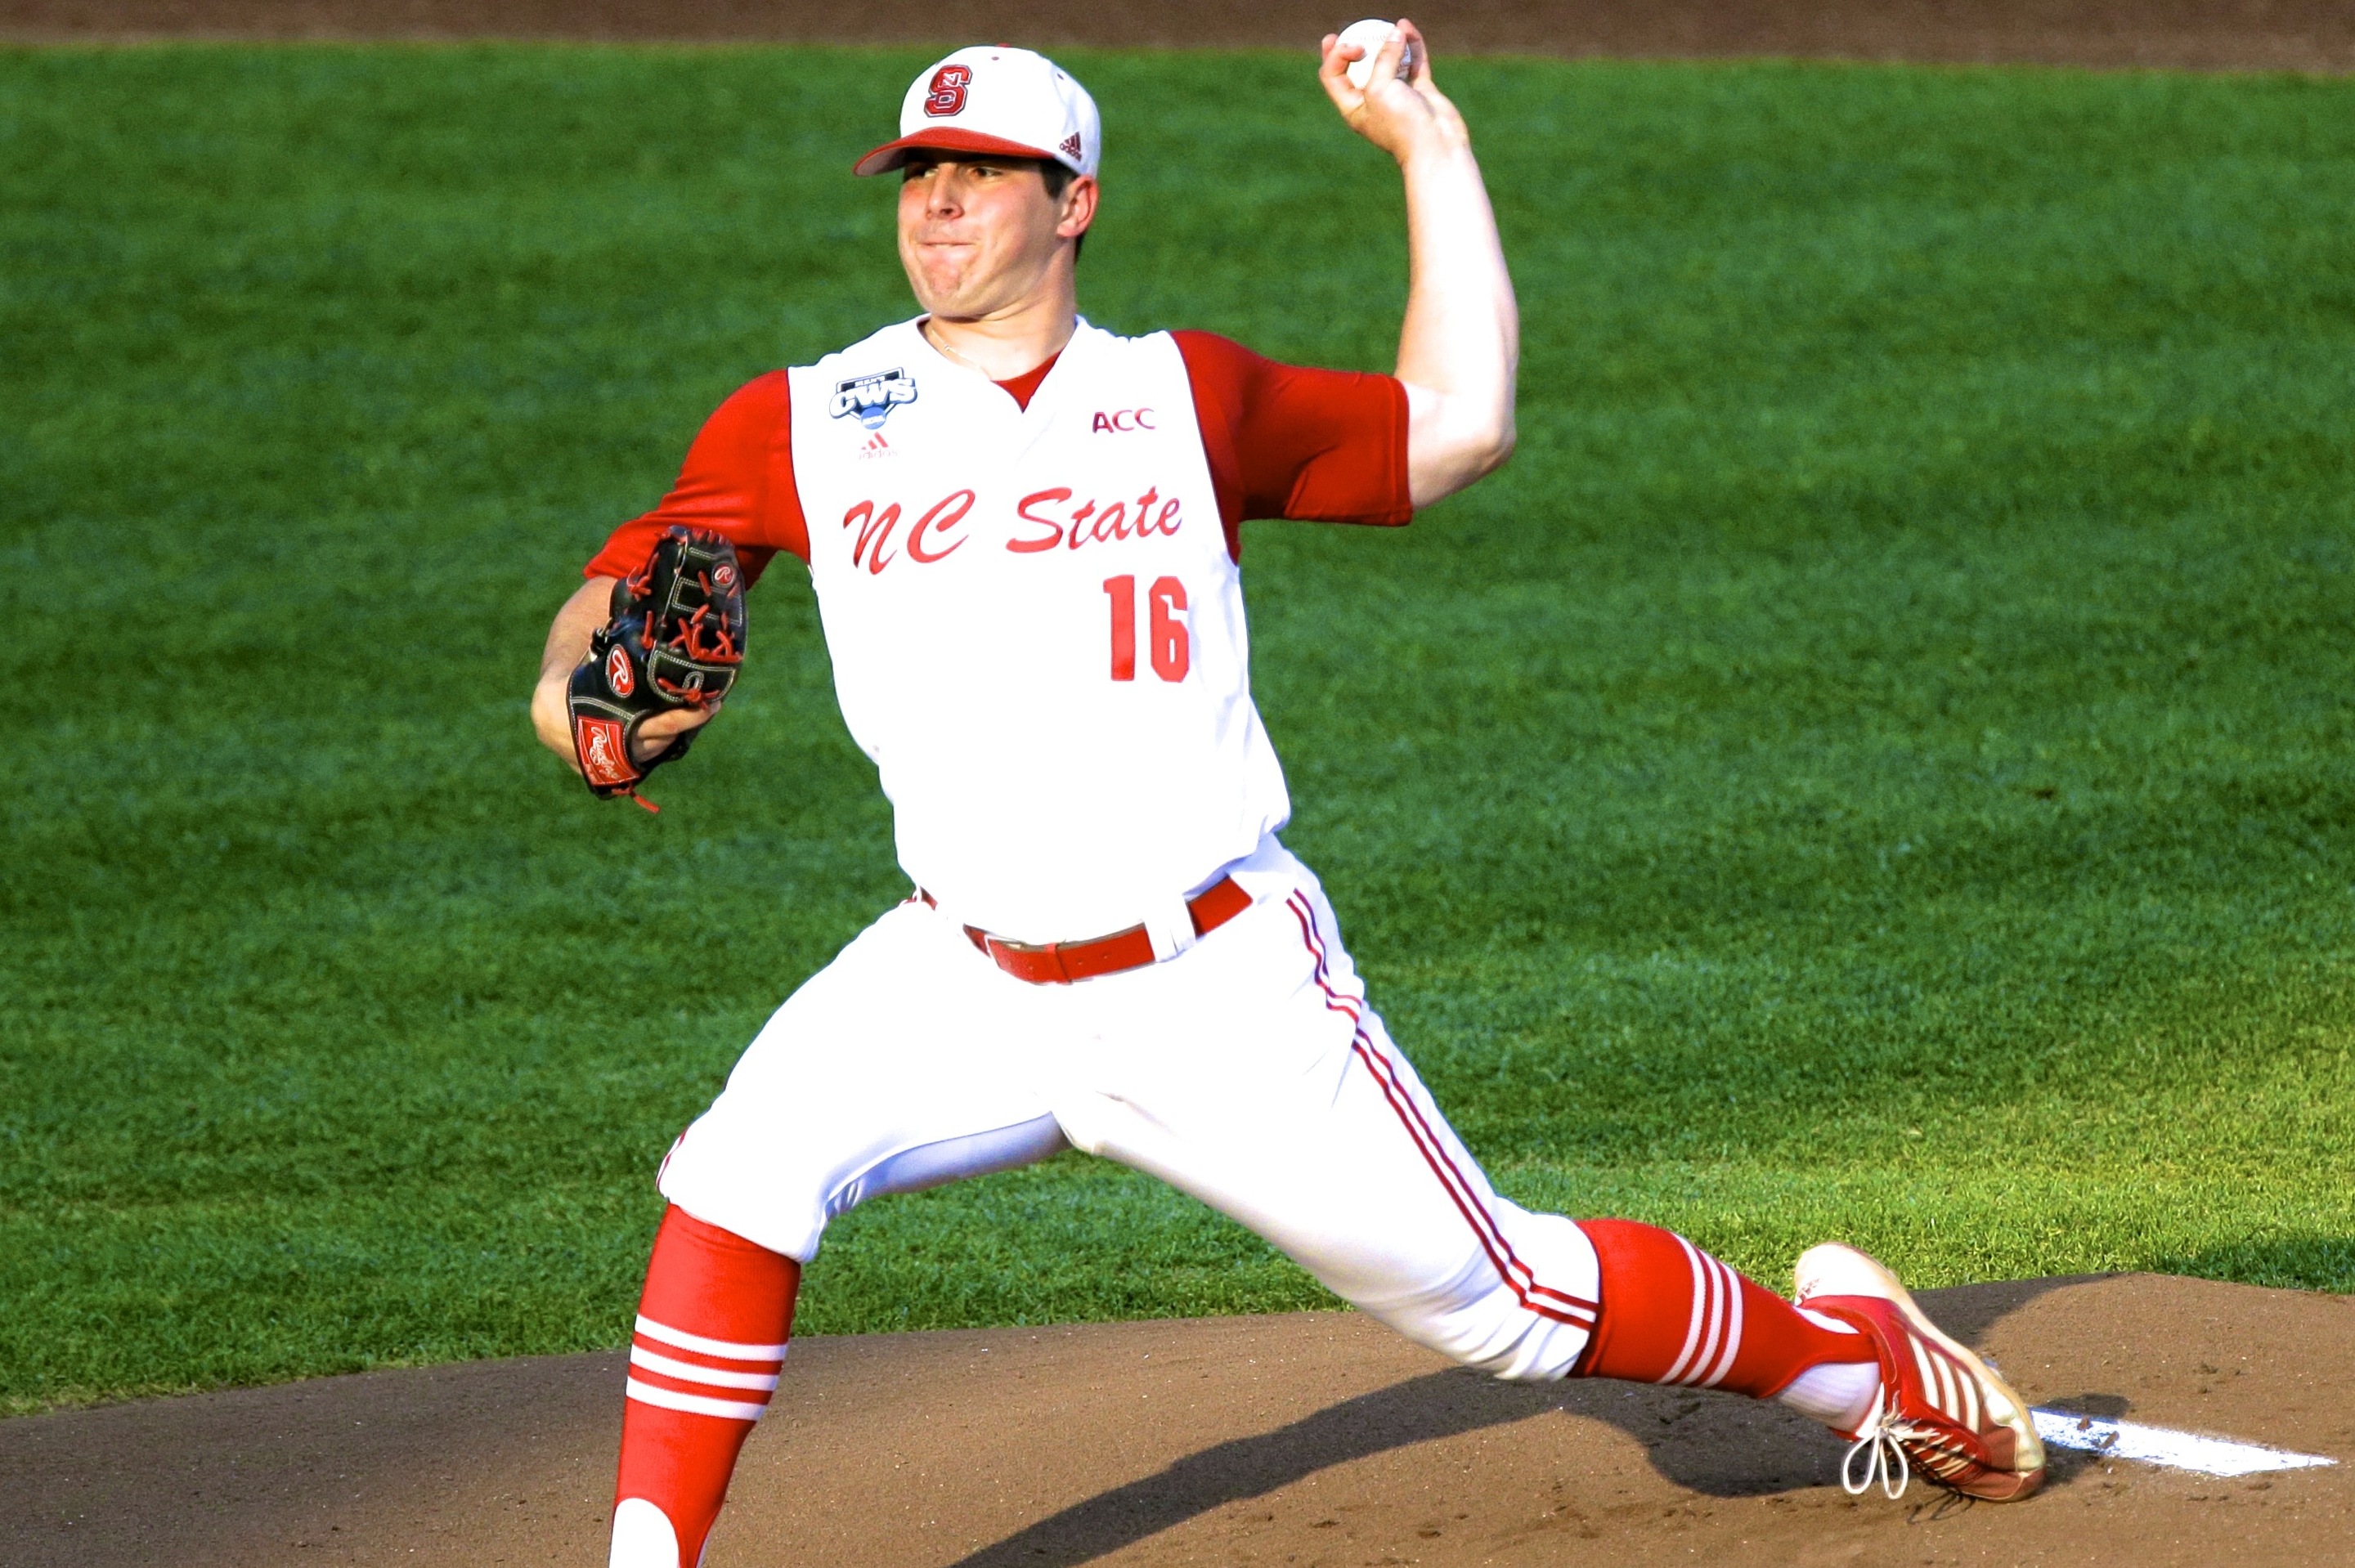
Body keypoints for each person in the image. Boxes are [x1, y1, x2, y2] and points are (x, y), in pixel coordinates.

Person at [530, 28, 2046, 1568]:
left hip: (1215, 978)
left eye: (986, 172)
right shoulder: (804, 419)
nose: (940, 203)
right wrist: (586, 700)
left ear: (1075, 203)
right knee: (738, 1171)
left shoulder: (1184, 395)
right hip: (960, 968)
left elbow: (1460, 423)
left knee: (1505, 1307)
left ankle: (1867, 1360)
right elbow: (609, 622)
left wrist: (1425, 149)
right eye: (920, 172)